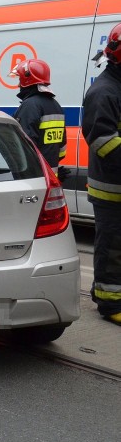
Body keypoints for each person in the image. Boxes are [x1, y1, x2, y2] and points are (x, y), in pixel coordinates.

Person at [82, 22, 121, 326]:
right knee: (112, 247)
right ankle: (110, 305)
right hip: (111, 188)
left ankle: (104, 292)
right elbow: (103, 141)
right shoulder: (103, 92)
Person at [10, 58, 67, 173]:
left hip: (34, 175)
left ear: (26, 80)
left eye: (20, 79)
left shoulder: (30, 106)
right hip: (50, 175)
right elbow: (61, 150)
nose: (18, 84)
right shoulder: (55, 105)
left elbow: (23, 147)